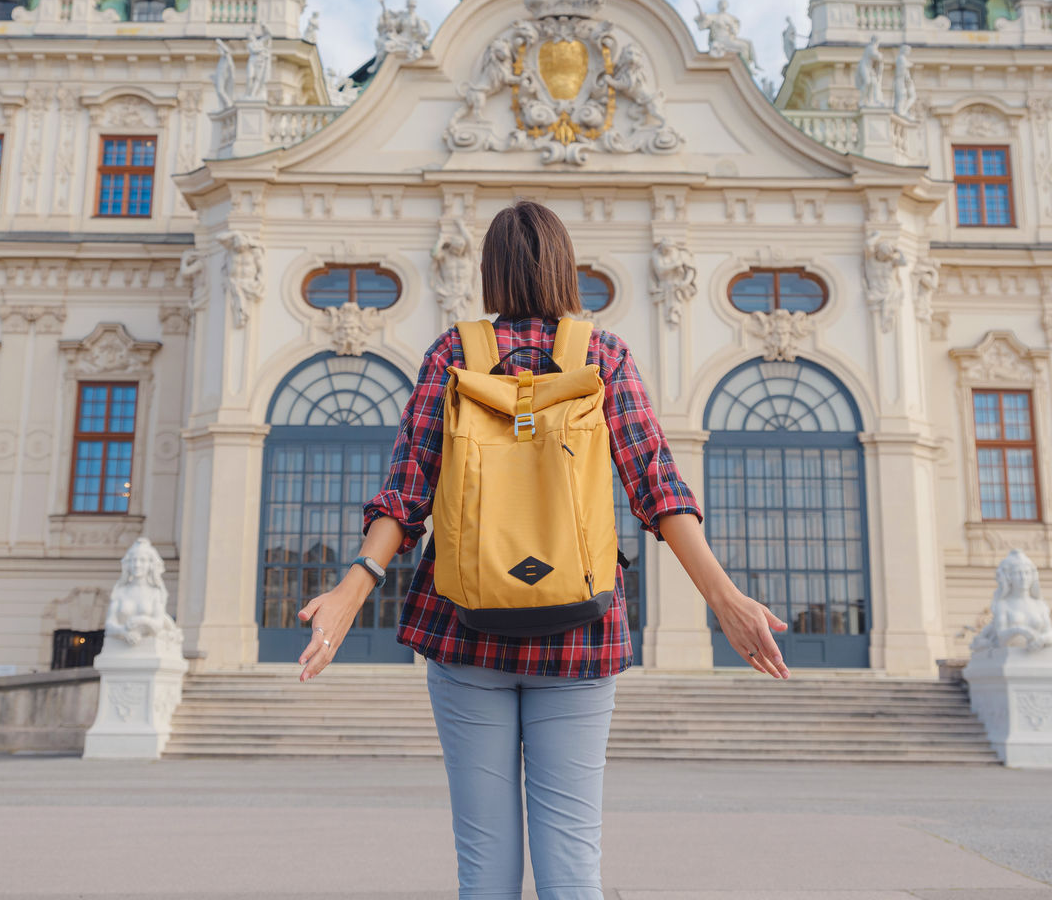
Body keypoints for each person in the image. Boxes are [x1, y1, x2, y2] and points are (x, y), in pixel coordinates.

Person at [296, 201, 789, 900]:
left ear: (491, 272)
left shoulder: (453, 355)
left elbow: (407, 491)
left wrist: (353, 590)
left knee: (485, 867)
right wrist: (724, 598)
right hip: (580, 634)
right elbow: (657, 488)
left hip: (464, 629)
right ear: (565, 267)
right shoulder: (602, 356)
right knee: (572, 862)